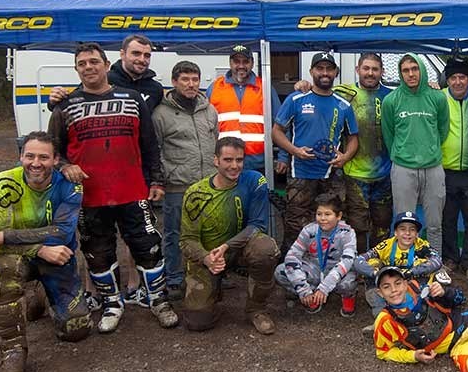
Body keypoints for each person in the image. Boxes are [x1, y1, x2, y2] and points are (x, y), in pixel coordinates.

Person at [48, 43, 178, 333]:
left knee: (148, 246)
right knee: (98, 251)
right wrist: (64, 166)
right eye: (82, 63)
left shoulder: (132, 98)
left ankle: (158, 300)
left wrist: (155, 180)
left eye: (94, 61)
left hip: (132, 190)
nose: (88, 67)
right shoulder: (65, 106)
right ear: (77, 69)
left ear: (107, 65)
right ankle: (112, 304)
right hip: (90, 195)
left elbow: (149, 144)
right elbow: (53, 150)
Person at [0, 131, 91, 372]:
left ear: (56, 160)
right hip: (24, 256)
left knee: (76, 330)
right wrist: (38, 249)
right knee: (4, 266)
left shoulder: (70, 184)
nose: (35, 163)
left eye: (43, 157)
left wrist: (5, 236)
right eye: (29, 156)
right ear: (20, 157)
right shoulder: (5, 183)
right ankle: (13, 350)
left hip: (58, 256)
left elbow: (61, 232)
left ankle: (42, 292)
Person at [178, 137, 279, 333]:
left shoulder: (255, 181)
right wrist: (206, 258)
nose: (234, 166)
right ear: (215, 160)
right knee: (198, 322)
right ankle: (211, 291)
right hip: (209, 255)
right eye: (228, 160)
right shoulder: (196, 194)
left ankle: (256, 309)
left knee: (265, 249)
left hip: (238, 250)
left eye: (239, 160)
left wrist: (226, 246)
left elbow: (257, 225)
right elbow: (187, 240)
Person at [272, 51, 359, 249]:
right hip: (300, 174)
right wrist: (294, 151)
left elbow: (353, 138)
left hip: (331, 176)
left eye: (329, 69)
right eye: (320, 68)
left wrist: (345, 157)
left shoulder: (344, 105)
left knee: (332, 224)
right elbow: (277, 132)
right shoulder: (296, 100)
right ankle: (290, 269)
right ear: (311, 71)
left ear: (336, 72)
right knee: (295, 225)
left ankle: (329, 265)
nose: (325, 73)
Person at [151, 60, 218, 300]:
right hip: (177, 185)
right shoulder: (161, 113)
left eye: (195, 79)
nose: (191, 84)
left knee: (209, 232)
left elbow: (215, 142)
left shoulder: (209, 109)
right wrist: (159, 180)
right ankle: (175, 278)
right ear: (174, 82)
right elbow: (155, 149)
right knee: (175, 234)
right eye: (185, 79)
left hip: (208, 184)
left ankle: (210, 272)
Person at [381, 53, 449, 252]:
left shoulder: (437, 98)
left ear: (422, 69)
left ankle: (434, 262)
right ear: (400, 73)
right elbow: (389, 134)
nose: (411, 74)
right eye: (406, 70)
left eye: (414, 69)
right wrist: (404, 152)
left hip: (433, 168)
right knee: (405, 225)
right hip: (403, 168)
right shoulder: (391, 101)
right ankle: (405, 263)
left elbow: (442, 130)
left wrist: (429, 148)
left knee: (435, 223)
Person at [333, 53, 394, 254]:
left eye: (375, 69)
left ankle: (378, 266)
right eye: (366, 68)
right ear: (357, 70)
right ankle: (358, 266)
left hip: (385, 175)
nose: (370, 73)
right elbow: (319, 91)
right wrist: (303, 85)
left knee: (383, 224)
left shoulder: (392, 96)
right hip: (355, 175)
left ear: (382, 72)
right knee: (357, 226)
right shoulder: (343, 93)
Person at [274, 193, 358, 316]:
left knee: (349, 280)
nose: (323, 218)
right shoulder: (309, 230)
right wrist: (302, 288)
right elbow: (292, 256)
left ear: (338, 216)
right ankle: (312, 295)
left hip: (338, 271)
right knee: (280, 271)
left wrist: (325, 286)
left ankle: (347, 296)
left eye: (328, 214)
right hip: (315, 268)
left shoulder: (348, 233)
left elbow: (347, 260)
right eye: (319, 214)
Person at [439, 55, 468, 280]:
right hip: (444, 169)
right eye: (453, 77)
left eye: (462, 77)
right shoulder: (437, 98)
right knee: (447, 218)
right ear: (447, 79)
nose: (458, 82)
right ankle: (450, 259)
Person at [354, 210, 442, 322]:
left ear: (417, 234)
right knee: (373, 263)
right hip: (392, 285)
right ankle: (383, 320)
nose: (408, 233)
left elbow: (437, 261)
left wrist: (413, 272)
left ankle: (419, 316)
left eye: (412, 230)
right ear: (395, 232)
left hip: (413, 284)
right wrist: (375, 273)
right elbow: (359, 260)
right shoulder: (387, 245)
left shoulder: (422, 246)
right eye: (403, 229)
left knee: (439, 275)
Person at [207, 44, 281, 174]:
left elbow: (281, 124)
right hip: (225, 164)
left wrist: (283, 156)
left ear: (252, 63)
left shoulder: (265, 87)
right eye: (236, 61)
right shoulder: (214, 88)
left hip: (258, 164)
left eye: (246, 61)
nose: (241, 66)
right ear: (230, 63)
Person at [48, 34, 163, 115]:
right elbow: (74, 102)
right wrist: (54, 101)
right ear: (122, 54)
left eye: (147, 55)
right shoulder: (105, 78)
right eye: (136, 54)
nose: (142, 59)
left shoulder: (155, 88)